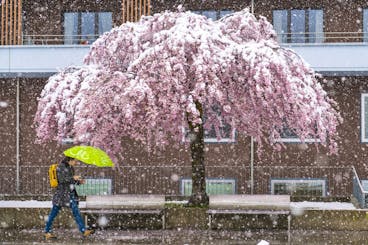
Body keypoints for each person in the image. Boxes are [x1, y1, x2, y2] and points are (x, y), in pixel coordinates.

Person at [44, 156, 94, 239]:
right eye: (75, 161)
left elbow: (70, 181)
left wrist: (78, 182)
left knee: (76, 211)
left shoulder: (70, 168)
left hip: (69, 194)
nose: (76, 162)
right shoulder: (60, 167)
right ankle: (46, 232)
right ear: (70, 160)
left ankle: (83, 230)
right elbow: (62, 180)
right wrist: (73, 178)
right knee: (54, 213)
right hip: (61, 194)